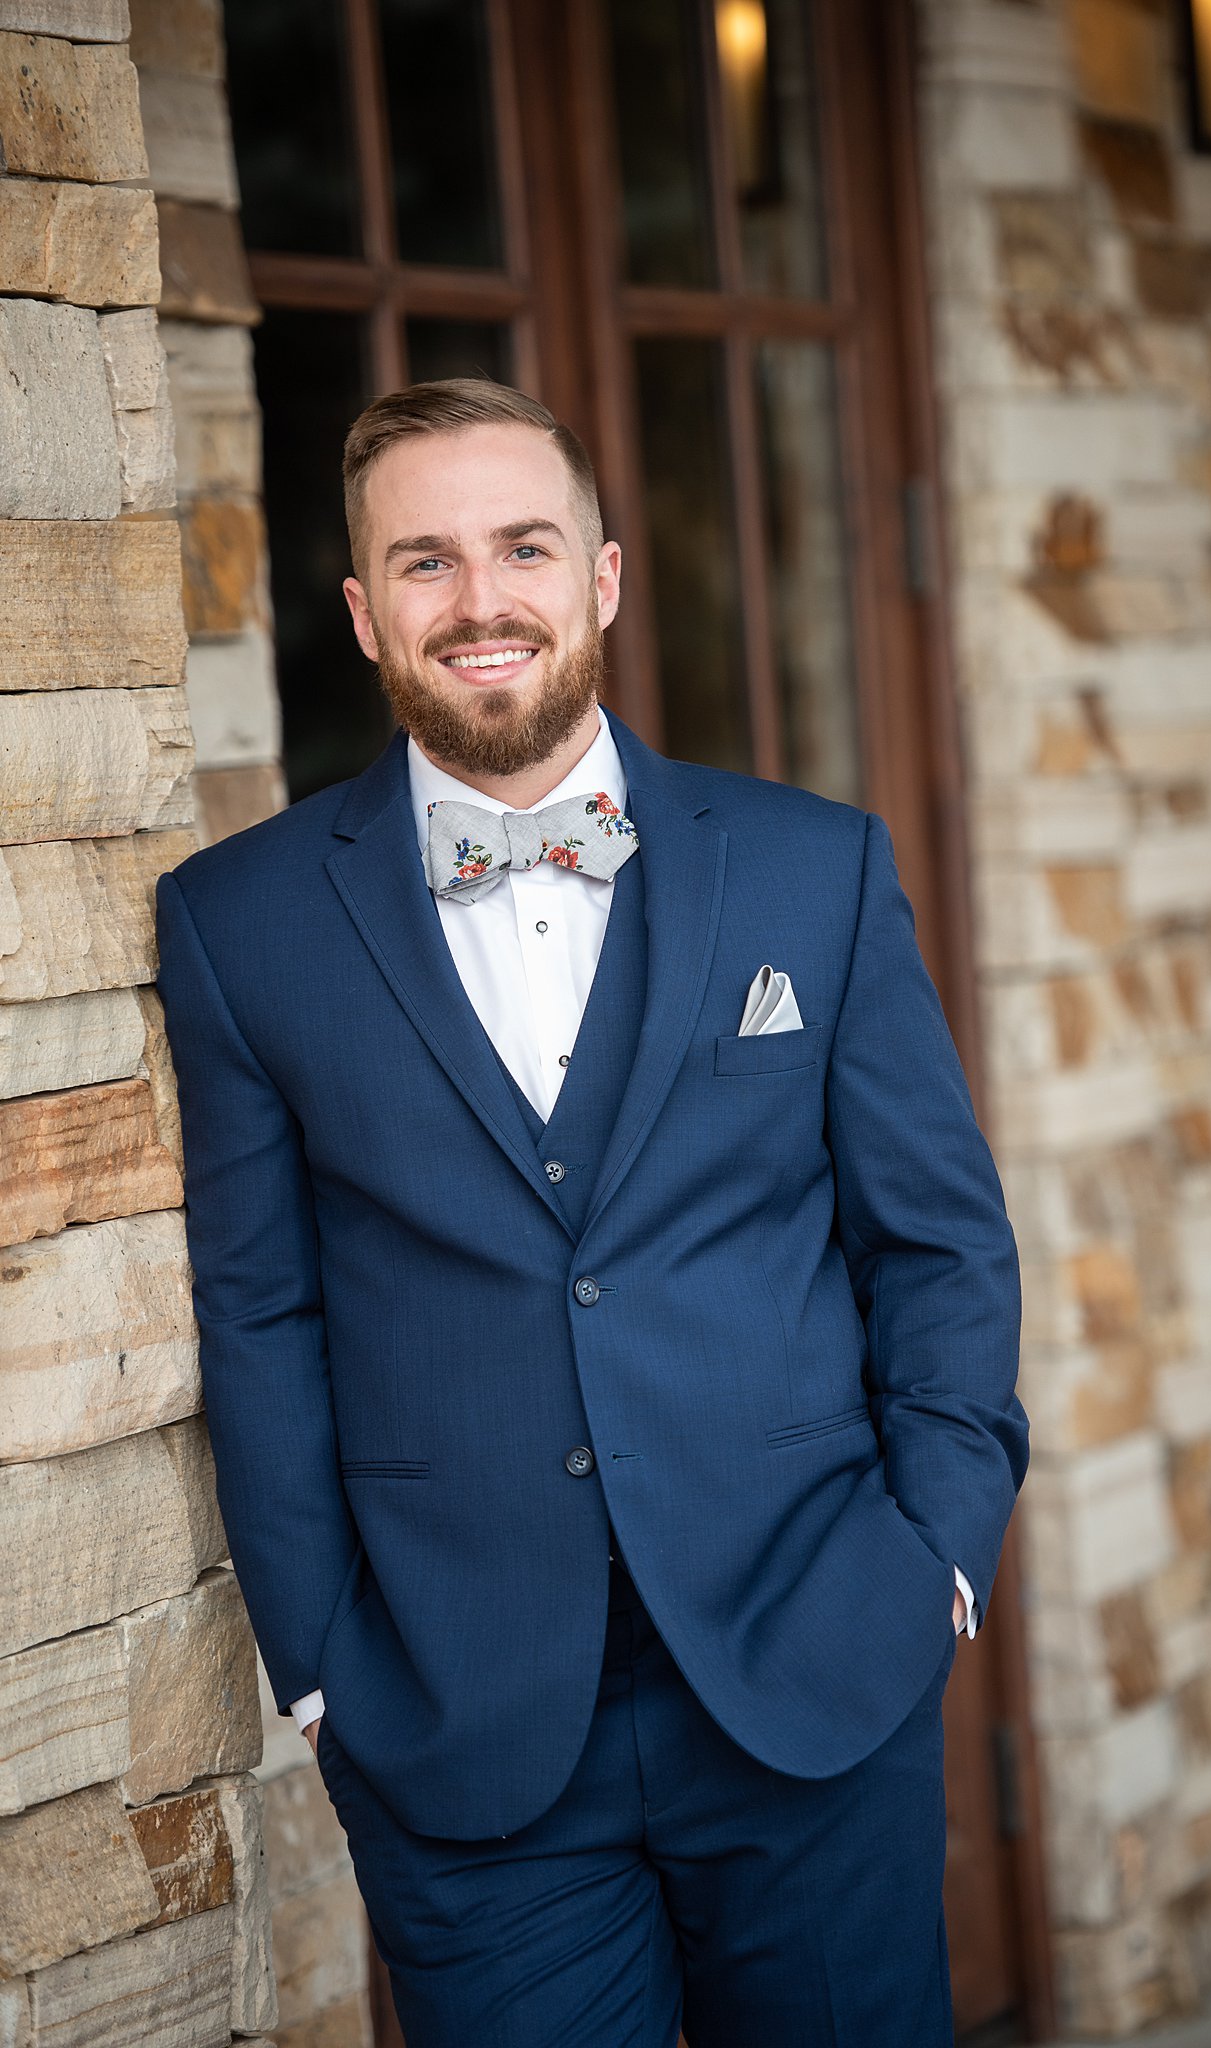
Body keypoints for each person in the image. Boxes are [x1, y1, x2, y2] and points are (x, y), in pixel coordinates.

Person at [154, 377, 1028, 2048]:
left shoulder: (811, 869)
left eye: (523, 548)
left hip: (817, 1666)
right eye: (424, 562)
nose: (480, 601)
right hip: (456, 1720)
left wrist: (937, 1564)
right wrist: (326, 1664)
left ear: (603, 579)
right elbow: (261, 1312)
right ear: (360, 612)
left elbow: (937, 1241)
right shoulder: (239, 925)